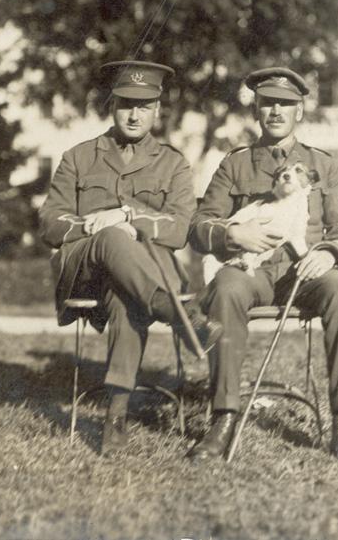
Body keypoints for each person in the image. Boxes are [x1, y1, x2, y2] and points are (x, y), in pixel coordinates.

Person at [39, 60, 222, 455]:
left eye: (144, 106)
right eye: (125, 104)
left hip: (138, 276)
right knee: (111, 238)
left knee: (127, 298)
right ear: (112, 105)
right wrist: (97, 226)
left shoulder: (173, 163)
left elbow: (179, 229)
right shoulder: (79, 156)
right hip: (85, 270)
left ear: (158, 110)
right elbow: (50, 224)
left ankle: (115, 417)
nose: (134, 114)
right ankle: (180, 316)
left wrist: (127, 217)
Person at [188, 66, 338, 465]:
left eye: (286, 105)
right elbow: (199, 226)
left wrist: (329, 253)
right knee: (226, 289)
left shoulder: (324, 165)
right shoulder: (234, 164)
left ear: (299, 112)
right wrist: (233, 236)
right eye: (268, 103)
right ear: (256, 110)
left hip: (307, 271)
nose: (276, 111)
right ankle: (222, 417)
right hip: (252, 271)